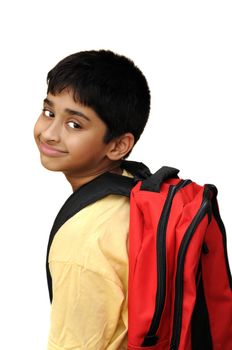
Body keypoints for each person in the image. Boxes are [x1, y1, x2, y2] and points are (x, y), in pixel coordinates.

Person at [33, 49, 150, 350]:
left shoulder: (82, 244)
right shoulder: (134, 190)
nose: (49, 133)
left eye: (75, 124)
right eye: (49, 112)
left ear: (118, 145)